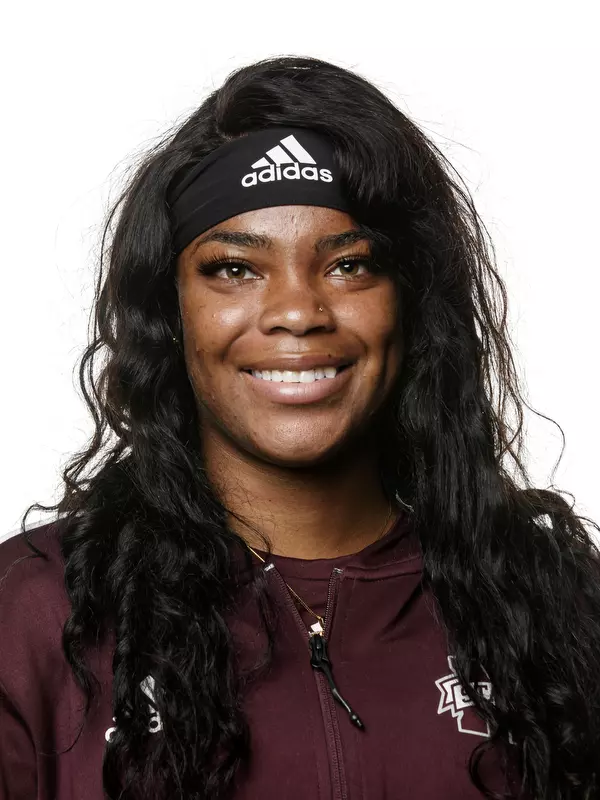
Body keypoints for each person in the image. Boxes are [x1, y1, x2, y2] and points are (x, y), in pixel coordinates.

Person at [1, 54, 599, 800]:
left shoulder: (550, 608)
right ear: (170, 312)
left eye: (350, 265)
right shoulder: (32, 616)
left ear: (411, 302)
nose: (297, 312)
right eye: (234, 268)